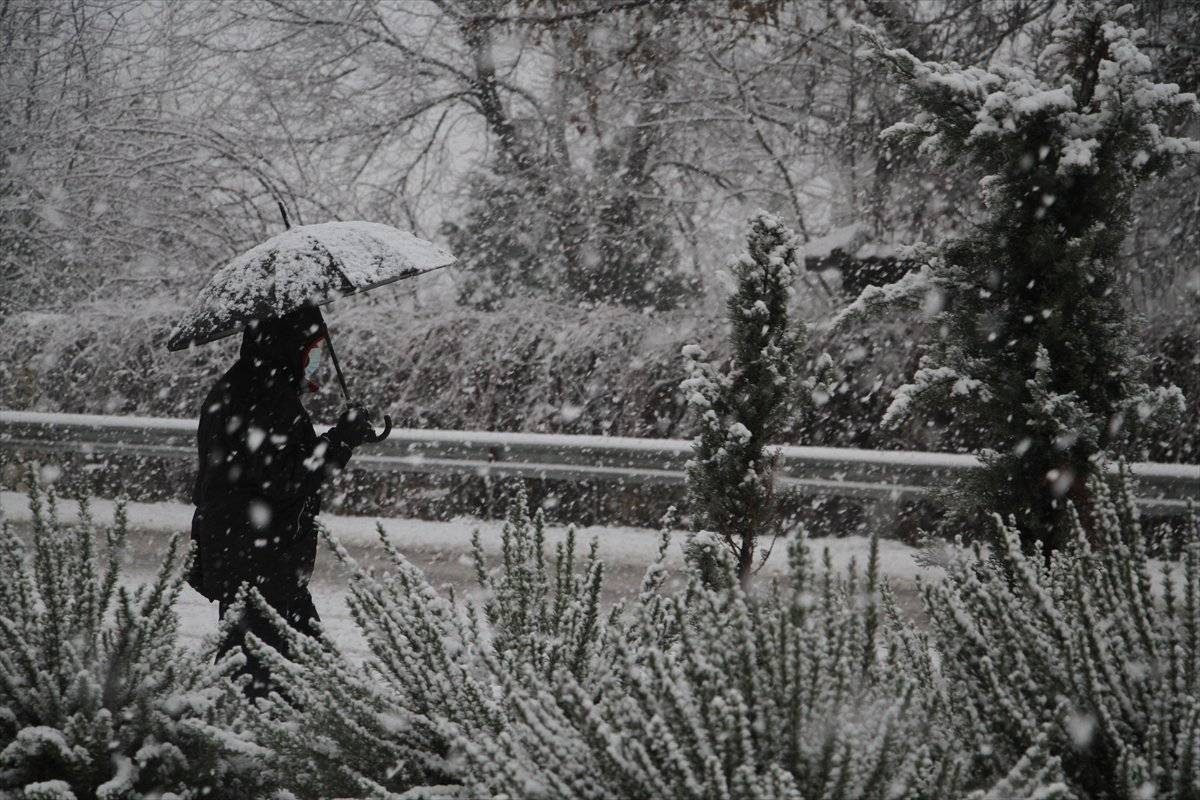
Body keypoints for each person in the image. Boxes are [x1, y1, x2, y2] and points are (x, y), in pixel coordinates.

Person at [186, 305, 376, 699]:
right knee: (287, 682)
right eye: (312, 347)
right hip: (261, 563)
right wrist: (341, 440)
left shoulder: (250, 387)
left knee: (272, 673)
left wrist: (336, 439)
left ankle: (242, 737)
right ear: (288, 346)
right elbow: (287, 478)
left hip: (252, 559)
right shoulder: (262, 395)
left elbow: (276, 467)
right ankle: (258, 747)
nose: (317, 356)